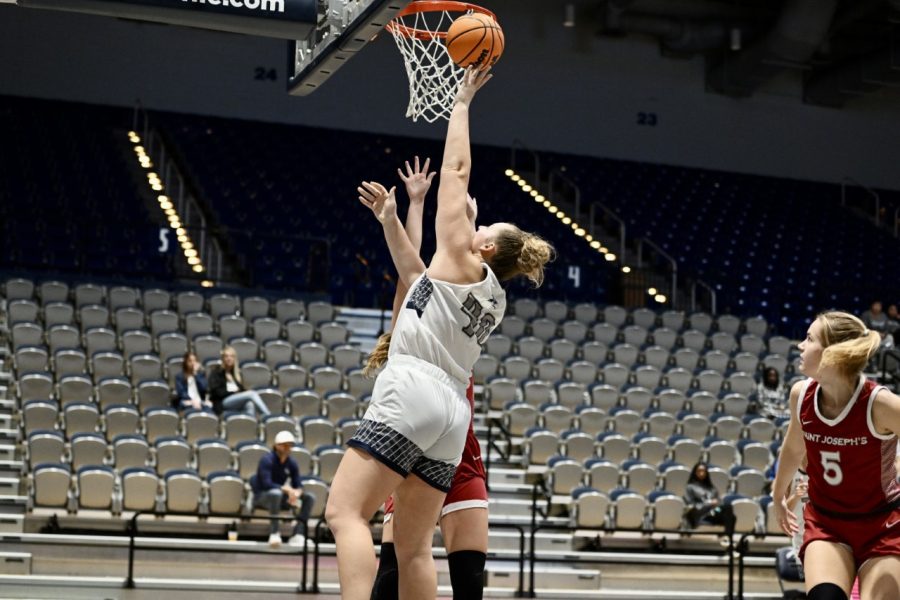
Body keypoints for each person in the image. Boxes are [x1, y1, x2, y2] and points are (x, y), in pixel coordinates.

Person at [324, 66, 554, 600]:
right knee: (411, 547)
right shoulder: (488, 290)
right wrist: (391, 218)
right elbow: (414, 277)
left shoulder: (463, 254)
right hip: (451, 412)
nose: (475, 223)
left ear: (488, 248)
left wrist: (461, 101)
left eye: (483, 228)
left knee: (346, 513)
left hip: (414, 390)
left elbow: (455, 168)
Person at [360, 156, 489, 600]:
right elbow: (409, 270)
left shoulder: (455, 322)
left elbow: (454, 268)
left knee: (468, 582)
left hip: (461, 456)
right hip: (416, 453)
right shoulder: (412, 333)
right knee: (395, 572)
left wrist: (463, 220)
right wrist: (414, 206)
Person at [772, 311, 900, 600]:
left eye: (809, 339)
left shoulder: (880, 404)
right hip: (827, 523)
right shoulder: (801, 394)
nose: (800, 346)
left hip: (882, 525)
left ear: (834, 353)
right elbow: (793, 448)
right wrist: (777, 495)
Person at [250, 430, 315, 548]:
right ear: (276, 446)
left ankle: (298, 534)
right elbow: (266, 484)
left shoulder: (292, 463)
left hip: (281, 497)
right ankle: (274, 533)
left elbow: (298, 483)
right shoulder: (267, 460)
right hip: (262, 497)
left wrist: (297, 492)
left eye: (290, 445)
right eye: (285, 445)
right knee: (276, 493)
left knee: (309, 497)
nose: (287, 448)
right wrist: (287, 490)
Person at [207, 345, 270, 417]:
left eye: (231, 356)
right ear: (223, 358)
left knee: (249, 404)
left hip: (234, 401)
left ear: (234, 359)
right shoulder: (216, 372)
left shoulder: (236, 374)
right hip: (222, 402)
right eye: (226, 356)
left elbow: (241, 390)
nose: (229, 359)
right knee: (252, 394)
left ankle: (249, 424)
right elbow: (216, 392)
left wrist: (238, 390)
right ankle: (268, 416)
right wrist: (232, 392)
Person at [684, 462, 725, 528]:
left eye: (704, 471)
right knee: (728, 512)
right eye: (699, 471)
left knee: (727, 510)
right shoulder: (690, 487)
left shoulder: (712, 489)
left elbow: (719, 502)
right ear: (695, 472)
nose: (701, 473)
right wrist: (710, 503)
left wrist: (718, 506)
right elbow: (691, 505)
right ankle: (729, 534)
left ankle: (729, 536)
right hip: (700, 514)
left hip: (714, 513)